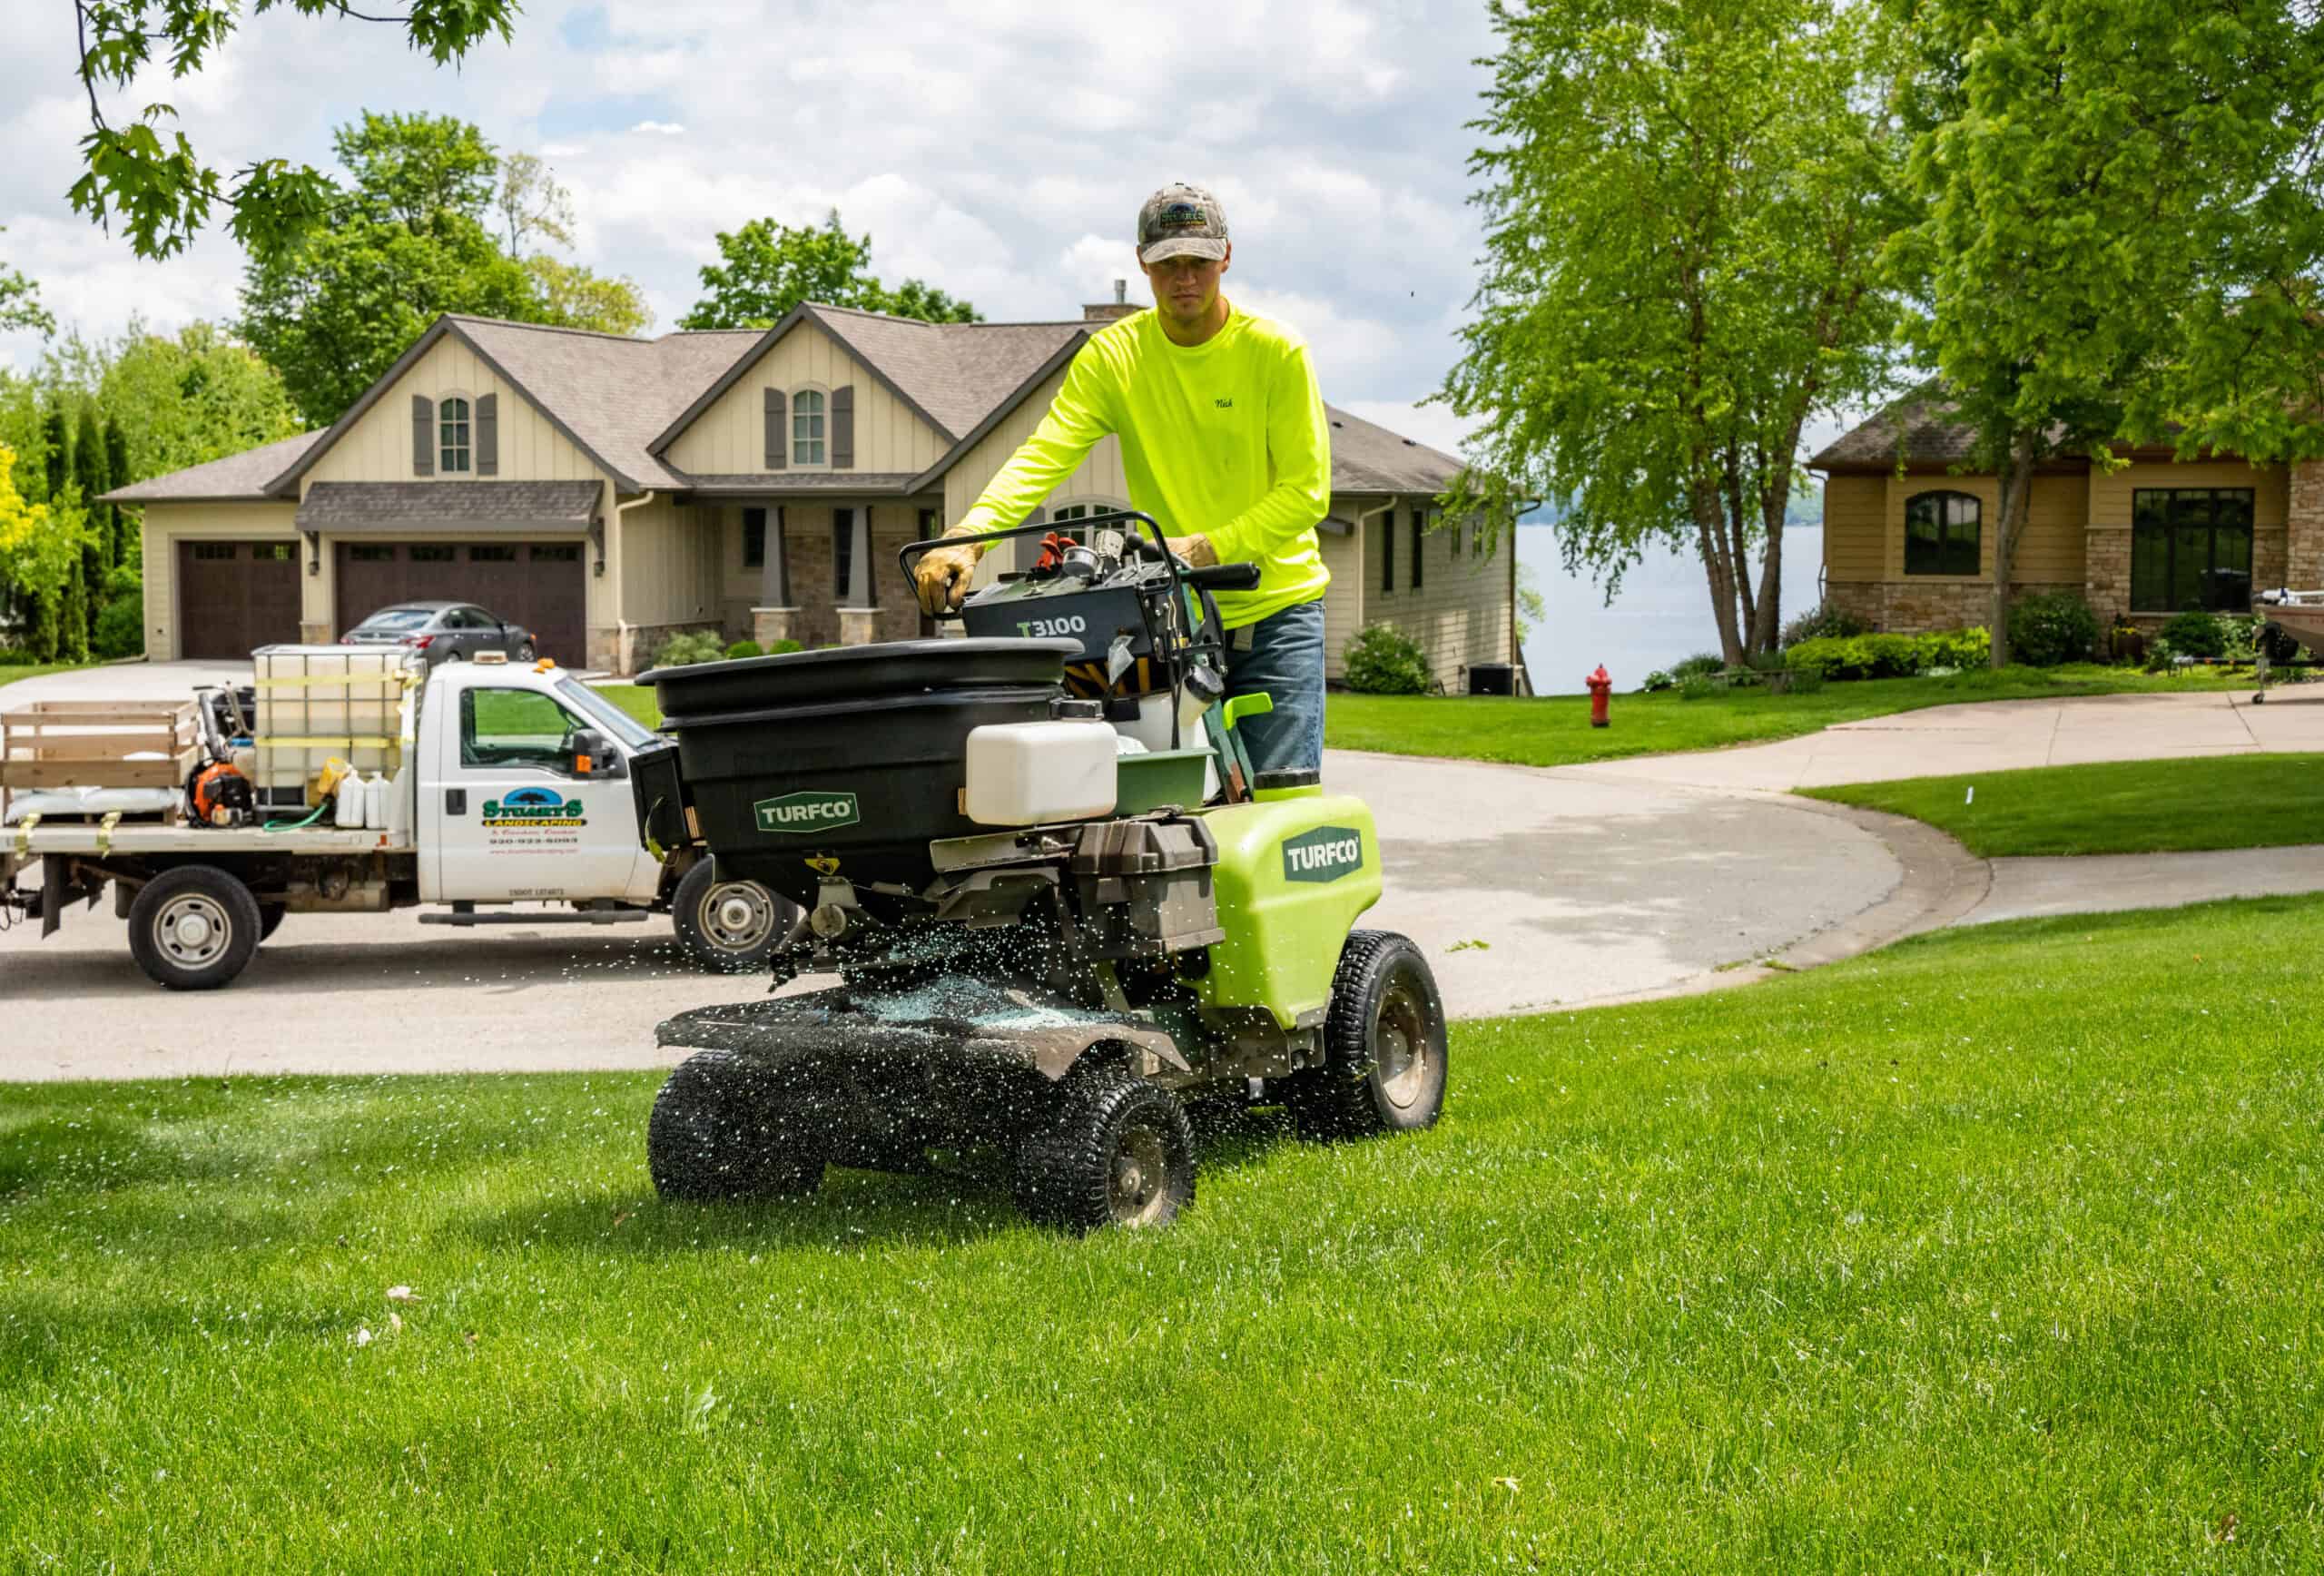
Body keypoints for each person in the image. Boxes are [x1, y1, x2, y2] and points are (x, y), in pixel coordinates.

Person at [911, 182, 1332, 774]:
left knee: (1282, 800)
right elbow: (1044, 454)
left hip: (1280, 613)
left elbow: (1306, 494)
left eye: (1199, 262)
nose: (1184, 278)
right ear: (1142, 263)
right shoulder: (1114, 358)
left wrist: (1209, 546)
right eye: (1168, 264)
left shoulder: (1275, 351)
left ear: (1226, 258)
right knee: (1179, 802)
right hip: (1177, 620)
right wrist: (969, 536)